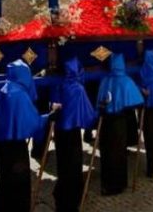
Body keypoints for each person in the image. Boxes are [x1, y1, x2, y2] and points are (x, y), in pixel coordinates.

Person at [0, 60, 57, 211]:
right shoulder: (18, 93)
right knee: (19, 182)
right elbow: (31, 122)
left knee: (4, 179)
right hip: (12, 144)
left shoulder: (8, 86)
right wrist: (50, 116)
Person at [50, 57, 97, 211]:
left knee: (62, 163)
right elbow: (89, 115)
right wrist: (99, 112)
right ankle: (72, 199)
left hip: (60, 130)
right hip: (72, 132)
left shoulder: (59, 85)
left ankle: (61, 195)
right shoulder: (78, 88)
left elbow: (53, 104)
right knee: (73, 164)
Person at [96, 53, 144, 195]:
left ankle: (107, 184)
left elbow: (99, 102)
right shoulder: (126, 81)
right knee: (118, 153)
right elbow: (137, 100)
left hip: (106, 122)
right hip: (118, 122)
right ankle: (117, 185)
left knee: (107, 153)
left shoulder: (105, 80)